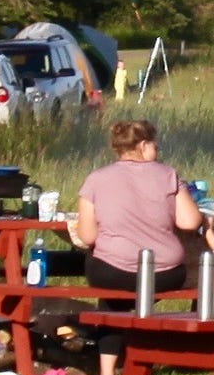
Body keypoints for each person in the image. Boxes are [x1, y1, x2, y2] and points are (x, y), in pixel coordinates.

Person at [73, 113, 203, 301]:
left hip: (111, 273)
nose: (158, 152)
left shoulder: (95, 179)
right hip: (165, 275)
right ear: (143, 146)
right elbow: (190, 222)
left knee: (97, 265)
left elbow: (87, 236)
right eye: (155, 146)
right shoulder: (168, 175)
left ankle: (109, 326)